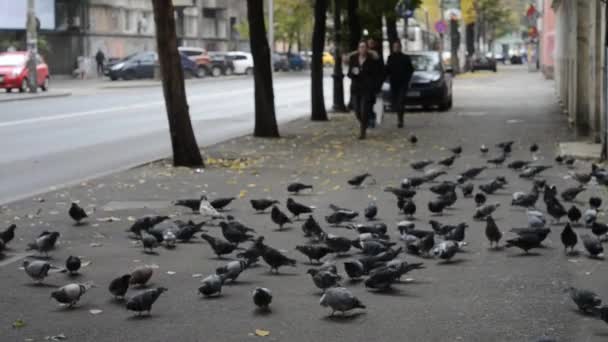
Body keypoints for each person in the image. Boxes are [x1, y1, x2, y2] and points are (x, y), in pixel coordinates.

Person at [348, 40, 382, 140]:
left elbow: (376, 74)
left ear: (367, 49)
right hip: (355, 89)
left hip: (366, 90)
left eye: (364, 47)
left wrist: (374, 86)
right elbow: (349, 74)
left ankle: (362, 132)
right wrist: (354, 72)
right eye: (360, 47)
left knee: (364, 111)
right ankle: (365, 123)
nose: (362, 49)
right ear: (358, 49)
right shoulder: (354, 59)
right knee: (357, 111)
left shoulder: (371, 60)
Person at [385, 40, 414, 128]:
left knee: (401, 102)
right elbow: (387, 70)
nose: (396, 48)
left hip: (403, 83)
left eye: (397, 47)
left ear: (400, 47)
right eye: (395, 47)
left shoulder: (405, 58)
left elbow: (411, 70)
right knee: (396, 102)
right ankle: (399, 115)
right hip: (394, 83)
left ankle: (400, 120)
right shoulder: (390, 57)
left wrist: (407, 79)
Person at [366, 38, 384, 128]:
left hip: (374, 83)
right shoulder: (365, 54)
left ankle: (372, 117)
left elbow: (381, 70)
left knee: (372, 102)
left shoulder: (376, 54)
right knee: (367, 102)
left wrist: (379, 82)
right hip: (365, 83)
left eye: (372, 43)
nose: (370, 44)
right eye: (369, 43)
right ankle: (370, 118)